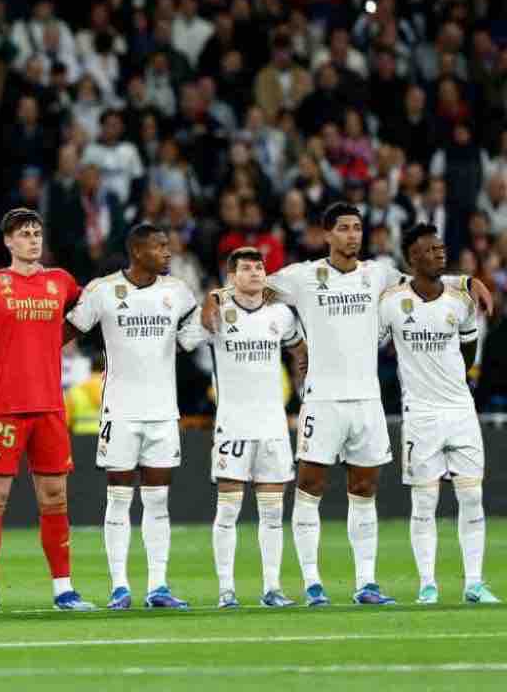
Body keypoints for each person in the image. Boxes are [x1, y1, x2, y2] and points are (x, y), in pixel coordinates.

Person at [201, 202, 490, 606]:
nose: (353, 234)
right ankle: (313, 583)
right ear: (327, 235)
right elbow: (254, 285)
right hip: (322, 400)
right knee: (310, 488)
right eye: (344, 228)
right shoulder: (304, 276)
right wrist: (217, 295)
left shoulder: (379, 274)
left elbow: (423, 278)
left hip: (367, 400)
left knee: (364, 489)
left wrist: (467, 280)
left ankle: (366, 583)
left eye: (357, 227)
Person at [0, 207, 95, 613]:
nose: (33, 239)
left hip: (49, 406)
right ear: (8, 241)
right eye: (25, 234)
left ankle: (64, 588)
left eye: (37, 232)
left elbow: (94, 310)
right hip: (4, 407)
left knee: (55, 497)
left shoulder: (60, 282)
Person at [66, 224, 199, 610]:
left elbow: (193, 329)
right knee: (119, 497)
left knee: (158, 500)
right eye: (160, 247)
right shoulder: (103, 290)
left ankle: (157, 586)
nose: (167, 252)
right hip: (120, 412)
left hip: (161, 412)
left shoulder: (177, 292)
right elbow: (69, 330)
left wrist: (200, 326)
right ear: (137, 251)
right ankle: (120, 586)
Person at [180, 247, 307, 608]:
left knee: (271, 511)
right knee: (228, 509)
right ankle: (226, 590)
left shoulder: (281, 314)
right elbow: (183, 343)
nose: (254, 272)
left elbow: (300, 351)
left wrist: (305, 389)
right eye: (246, 268)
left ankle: (272, 588)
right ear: (231, 275)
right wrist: (205, 309)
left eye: (259, 267)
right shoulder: (219, 311)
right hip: (232, 426)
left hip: (272, 425)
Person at [379, 224, 498, 605]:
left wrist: (452, 382)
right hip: (420, 415)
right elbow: (373, 345)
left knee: (472, 497)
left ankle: (474, 584)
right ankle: (427, 584)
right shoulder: (392, 303)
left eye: (441, 248)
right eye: (430, 250)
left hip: (461, 411)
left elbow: (468, 350)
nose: (439, 254)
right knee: (425, 502)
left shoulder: (460, 300)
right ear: (413, 258)